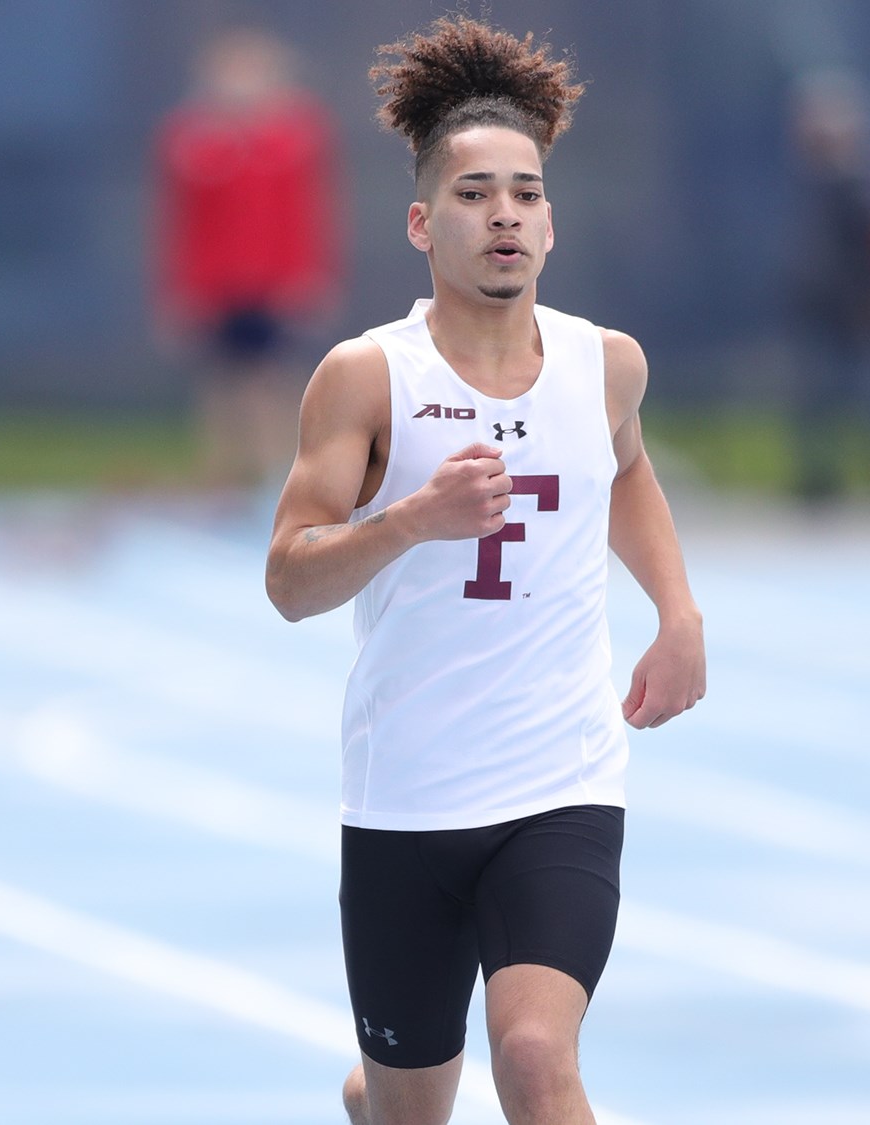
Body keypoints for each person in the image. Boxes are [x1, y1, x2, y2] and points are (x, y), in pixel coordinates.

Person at [264, 16, 707, 1125]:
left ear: (550, 224)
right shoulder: (366, 378)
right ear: (420, 222)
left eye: (524, 192)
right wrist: (410, 520)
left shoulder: (605, 365)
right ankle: (381, 1096)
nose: (502, 213)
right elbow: (288, 579)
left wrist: (678, 613)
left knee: (533, 1058)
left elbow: (627, 472)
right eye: (472, 194)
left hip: (557, 780)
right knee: (412, 1104)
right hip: (405, 797)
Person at [151, 27, 341, 497]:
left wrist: (311, 278)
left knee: (273, 380)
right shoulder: (191, 140)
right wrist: (180, 291)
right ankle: (223, 483)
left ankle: (284, 482)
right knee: (220, 384)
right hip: (216, 284)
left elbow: (311, 214)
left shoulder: (297, 136)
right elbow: (178, 223)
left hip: (276, 283)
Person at [783, 69, 870, 504]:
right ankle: (820, 482)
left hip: (858, 310)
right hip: (820, 308)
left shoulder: (862, 186)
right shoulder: (809, 184)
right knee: (818, 400)